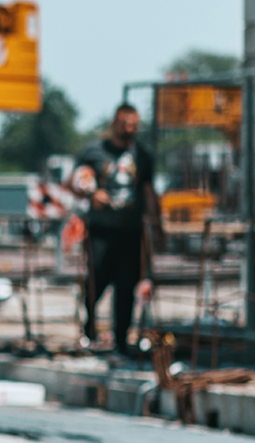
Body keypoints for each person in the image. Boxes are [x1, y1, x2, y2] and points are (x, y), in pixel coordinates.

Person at [69, 103, 157, 354]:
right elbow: (73, 182)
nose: (129, 129)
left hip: (131, 231)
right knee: (96, 280)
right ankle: (89, 329)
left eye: (134, 125)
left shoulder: (142, 156)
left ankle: (121, 340)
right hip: (101, 230)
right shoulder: (93, 151)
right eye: (124, 124)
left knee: (126, 286)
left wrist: (157, 228)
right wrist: (92, 193)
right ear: (114, 124)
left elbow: (148, 191)